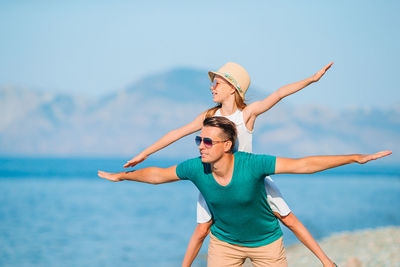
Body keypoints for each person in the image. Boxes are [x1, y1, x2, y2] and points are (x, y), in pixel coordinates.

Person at [98, 116, 391, 267]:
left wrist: (355, 157)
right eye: (199, 139)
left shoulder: (252, 165)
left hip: (266, 244)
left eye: (208, 141)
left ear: (227, 145)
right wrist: (125, 177)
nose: (201, 145)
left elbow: (304, 164)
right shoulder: (194, 168)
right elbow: (159, 175)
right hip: (224, 245)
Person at [124, 61, 337, 266]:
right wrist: (144, 154)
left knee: (288, 219)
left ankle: (326, 261)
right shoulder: (210, 116)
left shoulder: (247, 114)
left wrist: (312, 79)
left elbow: (279, 93)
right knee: (201, 230)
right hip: (216, 181)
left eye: (217, 83)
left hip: (250, 182)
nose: (211, 87)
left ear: (233, 88)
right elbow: (177, 133)